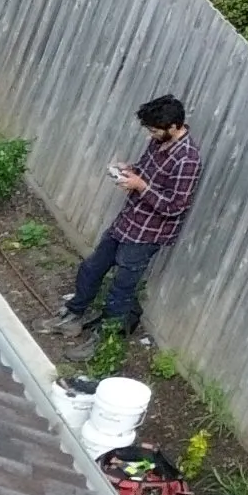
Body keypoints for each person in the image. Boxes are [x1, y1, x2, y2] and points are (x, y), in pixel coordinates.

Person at [56, 95, 202, 338]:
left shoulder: (188, 159)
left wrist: (140, 185)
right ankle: (73, 314)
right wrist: (130, 172)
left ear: (174, 127)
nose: (151, 135)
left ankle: (103, 340)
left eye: (155, 130)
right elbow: (148, 173)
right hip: (127, 221)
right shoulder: (159, 142)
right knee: (92, 268)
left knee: (120, 289)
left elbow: (175, 206)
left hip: (147, 234)